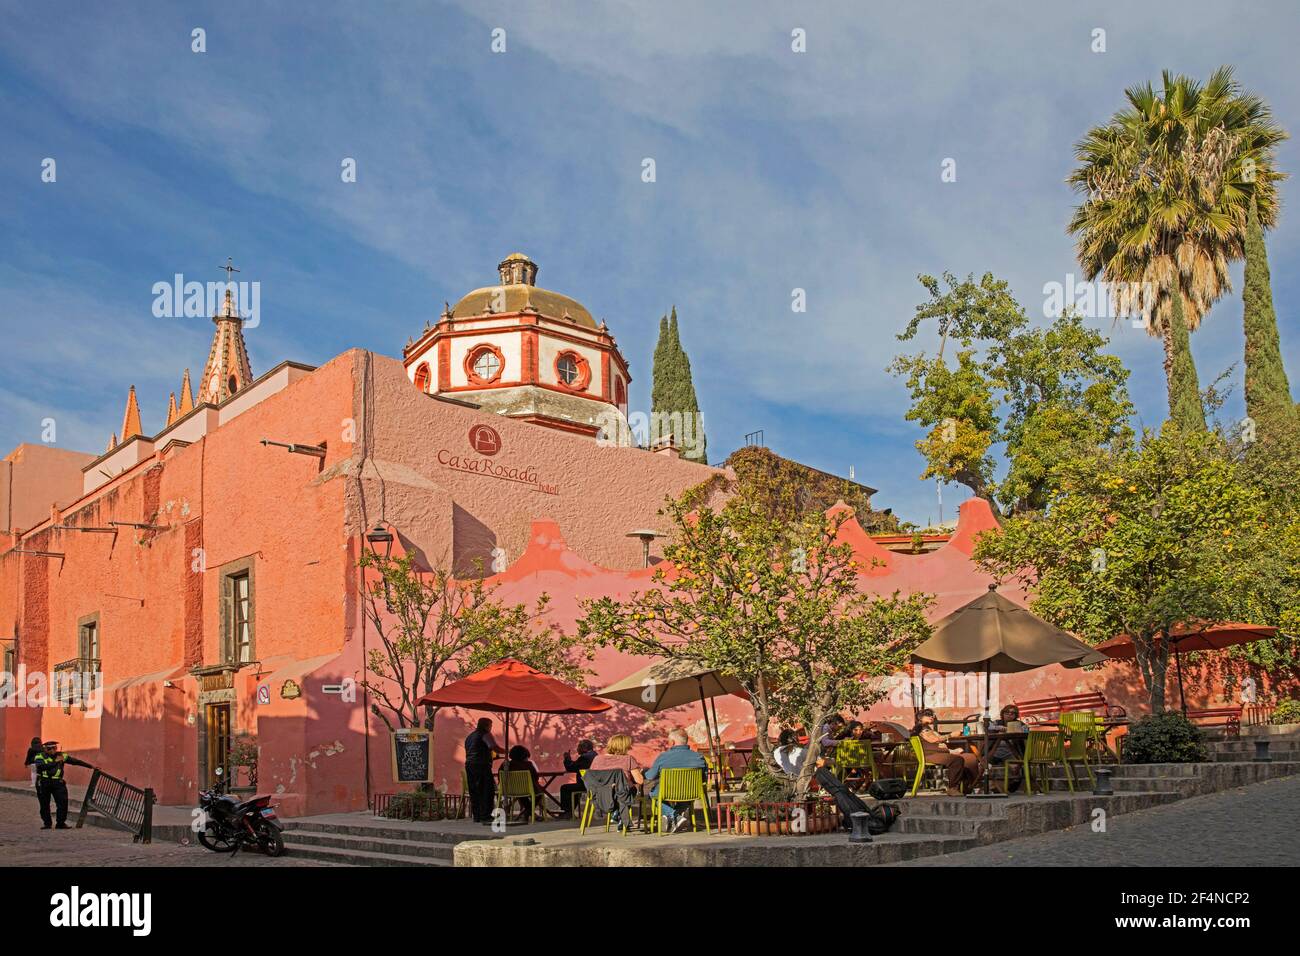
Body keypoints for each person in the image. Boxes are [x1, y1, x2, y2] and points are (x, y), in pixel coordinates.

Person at [644, 728, 707, 833]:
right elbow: (703, 778)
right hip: (691, 792)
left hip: (667, 791)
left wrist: (644, 771)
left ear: (672, 742)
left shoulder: (663, 757)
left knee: (653, 794)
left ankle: (674, 816)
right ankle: (674, 818)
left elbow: (650, 776)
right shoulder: (699, 757)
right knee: (689, 796)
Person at [912, 709, 981, 796]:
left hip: (937, 753)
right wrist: (951, 735)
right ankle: (952, 788)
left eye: (932, 715)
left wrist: (949, 750)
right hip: (929, 755)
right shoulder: (920, 727)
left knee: (970, 757)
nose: (931, 717)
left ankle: (970, 786)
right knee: (957, 760)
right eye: (928, 714)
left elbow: (936, 741)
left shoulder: (926, 727)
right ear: (920, 717)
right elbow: (934, 740)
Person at [586, 734, 645, 827]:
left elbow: (593, 778)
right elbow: (640, 781)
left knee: (623, 790)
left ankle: (617, 814)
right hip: (620, 795)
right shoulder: (628, 759)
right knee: (630, 789)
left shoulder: (597, 759)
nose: (630, 747)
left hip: (601, 796)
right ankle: (619, 815)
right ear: (624, 746)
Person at [32, 741, 91, 830]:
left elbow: (75, 761)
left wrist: (90, 766)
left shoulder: (61, 755)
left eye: (54, 748)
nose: (52, 750)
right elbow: (42, 767)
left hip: (58, 783)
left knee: (63, 802)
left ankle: (60, 823)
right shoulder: (39, 756)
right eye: (49, 749)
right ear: (45, 749)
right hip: (44, 782)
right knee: (44, 804)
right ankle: (47, 824)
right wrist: (56, 761)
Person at [464, 717, 503, 824]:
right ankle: (486, 816)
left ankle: (477, 816)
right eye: (490, 726)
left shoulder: (470, 736)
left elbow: (473, 750)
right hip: (481, 765)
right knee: (487, 790)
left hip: (469, 765)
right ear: (486, 725)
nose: (491, 728)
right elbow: (493, 747)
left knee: (474, 791)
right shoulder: (485, 734)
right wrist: (507, 751)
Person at [558, 739, 596, 817]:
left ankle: (567, 812)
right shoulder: (595, 755)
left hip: (586, 785)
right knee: (573, 788)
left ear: (584, 748)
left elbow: (571, 767)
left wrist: (567, 759)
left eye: (579, 747)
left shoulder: (584, 757)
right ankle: (569, 811)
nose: (577, 749)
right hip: (594, 784)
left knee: (564, 788)